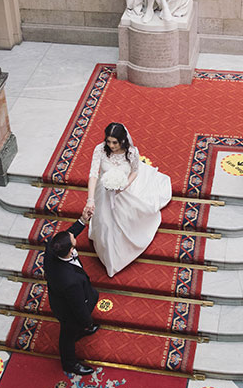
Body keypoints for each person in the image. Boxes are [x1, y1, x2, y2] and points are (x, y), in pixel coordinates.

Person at [85, 122, 171, 277]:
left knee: (128, 218)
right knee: (104, 222)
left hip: (123, 190)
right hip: (103, 192)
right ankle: (110, 257)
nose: (111, 145)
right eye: (108, 141)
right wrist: (90, 200)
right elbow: (93, 174)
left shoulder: (131, 152)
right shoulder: (99, 150)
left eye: (114, 142)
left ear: (122, 141)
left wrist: (123, 186)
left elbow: (134, 172)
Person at [44, 207, 100, 375]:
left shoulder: (53, 248)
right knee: (68, 334)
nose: (73, 238)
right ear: (69, 251)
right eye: (73, 242)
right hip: (69, 310)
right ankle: (69, 363)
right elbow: (78, 307)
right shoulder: (70, 282)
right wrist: (86, 322)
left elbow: (69, 234)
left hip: (60, 296)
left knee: (91, 298)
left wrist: (83, 220)